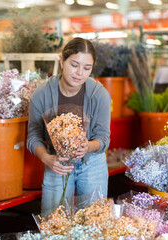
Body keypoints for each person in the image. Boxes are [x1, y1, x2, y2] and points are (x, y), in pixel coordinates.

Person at [26, 37, 111, 214]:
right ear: (62, 61)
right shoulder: (42, 94)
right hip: (56, 162)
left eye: (87, 68)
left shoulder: (99, 94)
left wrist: (88, 146)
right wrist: (46, 158)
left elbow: (104, 138)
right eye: (74, 64)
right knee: (54, 222)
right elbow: (33, 136)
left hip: (92, 163)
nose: (79, 72)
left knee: (92, 221)